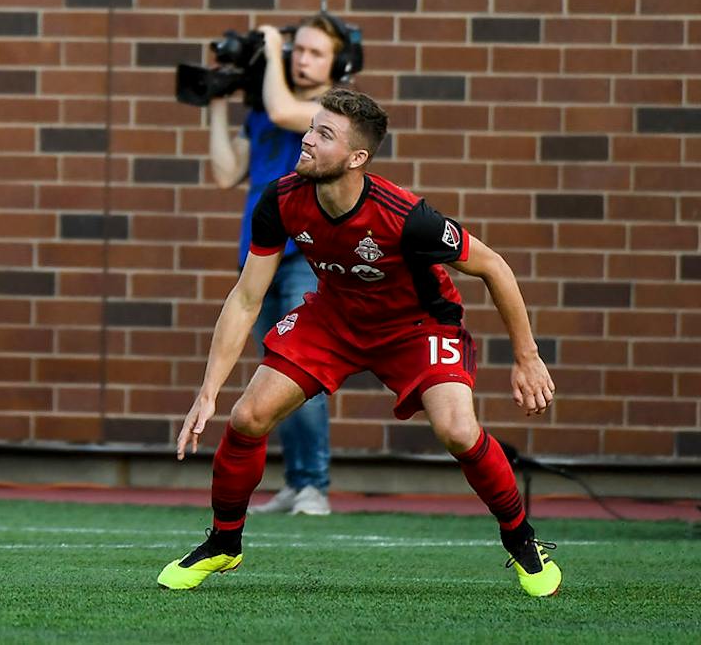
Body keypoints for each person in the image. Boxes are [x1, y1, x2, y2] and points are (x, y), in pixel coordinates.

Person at [158, 88, 561, 598]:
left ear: (356, 158)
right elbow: (245, 298)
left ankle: (521, 538)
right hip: (336, 318)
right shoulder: (280, 199)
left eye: (323, 134)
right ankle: (223, 543)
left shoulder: (407, 217)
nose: (306, 139)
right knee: (246, 417)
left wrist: (527, 358)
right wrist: (208, 390)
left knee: (458, 431)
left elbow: (494, 267)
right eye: (311, 126)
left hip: (417, 328)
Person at [205, 17, 357, 516]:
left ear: (338, 62)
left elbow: (282, 107)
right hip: (259, 254)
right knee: (276, 369)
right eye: (298, 50)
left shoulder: (331, 111)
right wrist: (216, 106)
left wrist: (270, 51)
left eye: (315, 52)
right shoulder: (267, 108)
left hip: (306, 256)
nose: (302, 58)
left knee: (300, 367)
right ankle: (297, 482)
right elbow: (227, 173)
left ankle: (314, 484)